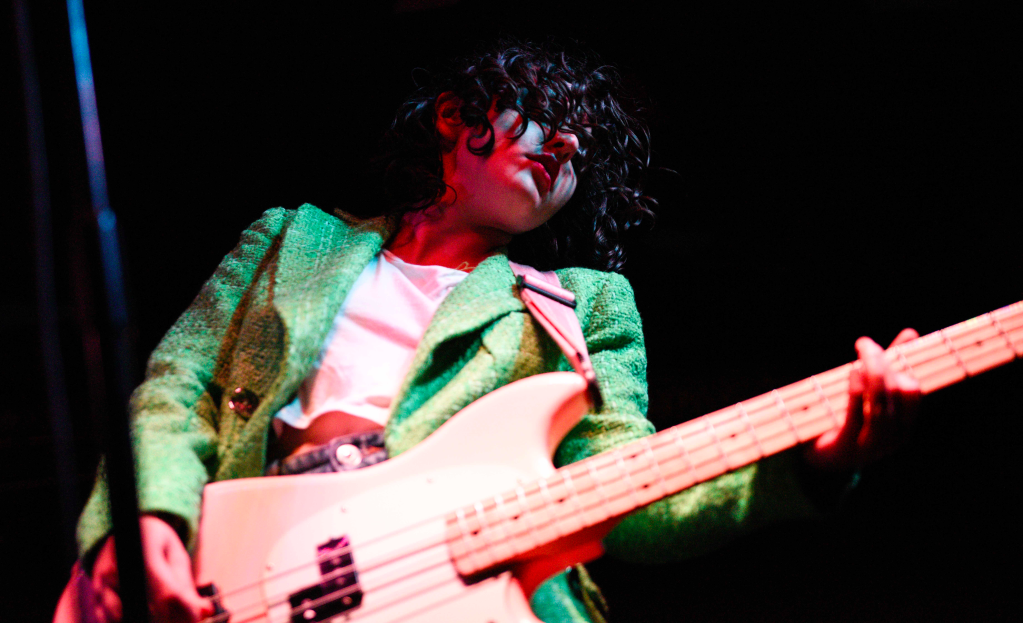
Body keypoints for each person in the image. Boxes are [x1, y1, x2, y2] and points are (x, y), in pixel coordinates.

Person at [56, 40, 920, 623]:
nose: (567, 143)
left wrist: (811, 462)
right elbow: (179, 390)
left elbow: (629, 495)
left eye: (582, 152)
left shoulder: (581, 305)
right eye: (546, 113)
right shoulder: (293, 238)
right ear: (451, 116)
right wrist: (145, 519)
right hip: (241, 575)